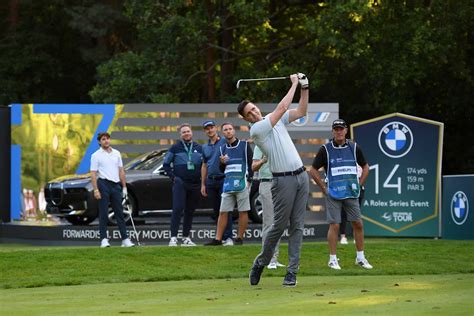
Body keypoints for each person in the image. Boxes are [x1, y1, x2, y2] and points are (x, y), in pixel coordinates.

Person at [238, 73, 309, 287]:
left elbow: (302, 111)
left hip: (301, 176)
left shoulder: (274, 120)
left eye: (253, 108)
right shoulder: (258, 129)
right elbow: (280, 109)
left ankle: (292, 272)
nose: (253, 112)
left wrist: (305, 88)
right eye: (249, 112)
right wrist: (294, 83)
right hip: (282, 181)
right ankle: (261, 262)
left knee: (297, 226)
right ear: (245, 119)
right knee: (278, 226)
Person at [309, 119, 373, 270]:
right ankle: (332, 259)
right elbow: (313, 170)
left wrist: (359, 185)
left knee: (358, 224)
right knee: (335, 225)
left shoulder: (354, 147)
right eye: (336, 129)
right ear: (333, 131)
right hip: (334, 193)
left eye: (341, 129)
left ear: (346, 131)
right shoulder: (325, 149)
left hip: (351, 192)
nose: (338, 132)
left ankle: (360, 258)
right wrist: (324, 188)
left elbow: (365, 167)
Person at [205, 122, 253, 246]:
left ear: (234, 131)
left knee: (243, 211)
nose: (228, 131)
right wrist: (222, 163)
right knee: (223, 211)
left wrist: (249, 180)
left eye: (230, 129)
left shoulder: (244, 145)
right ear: (223, 132)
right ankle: (218, 239)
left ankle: (239, 238)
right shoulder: (222, 148)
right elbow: (222, 170)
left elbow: (251, 163)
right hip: (228, 184)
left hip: (242, 182)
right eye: (225, 129)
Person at [90, 132, 135, 248]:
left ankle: (125, 239)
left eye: (107, 139)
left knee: (119, 213)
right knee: (104, 212)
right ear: (99, 142)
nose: (106, 141)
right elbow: (93, 174)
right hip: (103, 184)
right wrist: (96, 190)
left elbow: (121, 171)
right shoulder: (96, 155)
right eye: (103, 139)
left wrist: (124, 187)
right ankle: (104, 240)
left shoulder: (116, 153)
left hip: (116, 185)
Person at [163, 123, 203, 247]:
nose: (186, 133)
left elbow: (204, 165)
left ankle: (186, 238)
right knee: (177, 209)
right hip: (180, 183)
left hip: (195, 184)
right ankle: (173, 238)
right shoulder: (175, 147)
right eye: (184, 132)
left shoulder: (199, 147)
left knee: (190, 211)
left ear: (191, 133)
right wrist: (174, 178)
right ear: (180, 135)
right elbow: (166, 164)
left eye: (188, 131)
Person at [200, 120, 234, 246]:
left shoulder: (225, 141)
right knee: (216, 211)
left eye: (211, 127)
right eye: (207, 128)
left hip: (224, 179)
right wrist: (203, 184)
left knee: (225, 209)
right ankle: (220, 238)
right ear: (205, 131)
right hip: (210, 182)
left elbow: (237, 147)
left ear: (216, 129)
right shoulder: (205, 147)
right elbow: (204, 166)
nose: (210, 130)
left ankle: (229, 237)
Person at [252, 145, 284, 269]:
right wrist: (263, 160)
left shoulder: (278, 144)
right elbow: (254, 167)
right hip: (266, 183)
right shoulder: (259, 146)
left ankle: (274, 258)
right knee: (269, 223)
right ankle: (267, 259)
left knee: (279, 222)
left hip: (281, 182)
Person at [340, 165, 364, 245]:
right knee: (343, 214)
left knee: (356, 216)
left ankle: (355, 237)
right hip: (345, 190)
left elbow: (362, 173)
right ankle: (343, 236)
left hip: (358, 191)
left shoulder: (360, 163)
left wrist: (359, 186)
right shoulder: (346, 162)